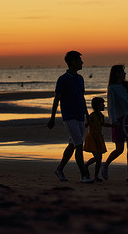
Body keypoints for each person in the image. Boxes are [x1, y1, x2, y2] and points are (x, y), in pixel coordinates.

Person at [47, 51, 93, 183]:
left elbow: (82, 98)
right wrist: (52, 118)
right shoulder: (63, 79)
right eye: (79, 60)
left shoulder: (80, 79)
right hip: (69, 117)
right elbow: (57, 99)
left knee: (73, 144)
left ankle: (59, 169)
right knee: (79, 145)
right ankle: (84, 175)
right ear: (72, 62)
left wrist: (87, 114)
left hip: (79, 116)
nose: (82, 62)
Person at [83, 97, 111, 182]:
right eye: (102, 104)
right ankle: (86, 165)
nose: (104, 105)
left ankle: (95, 176)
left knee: (99, 158)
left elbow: (103, 124)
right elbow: (86, 125)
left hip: (99, 137)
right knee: (97, 157)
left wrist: (112, 125)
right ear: (97, 106)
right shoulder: (92, 115)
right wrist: (88, 121)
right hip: (92, 137)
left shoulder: (101, 115)